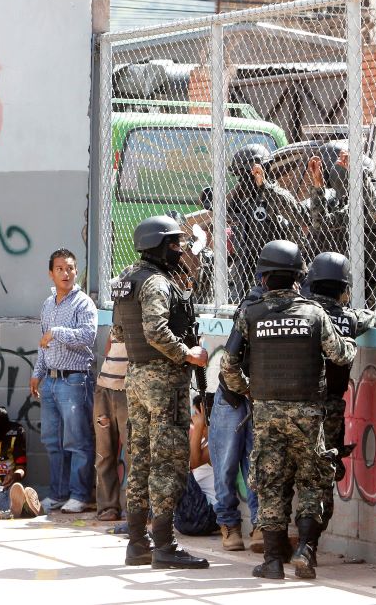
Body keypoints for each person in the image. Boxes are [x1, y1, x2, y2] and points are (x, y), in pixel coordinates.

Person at [221, 239, 356, 580]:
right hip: (309, 415)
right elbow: (340, 355)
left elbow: (227, 365)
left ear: (263, 279)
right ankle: (306, 553)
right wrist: (352, 340)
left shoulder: (250, 314)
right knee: (311, 482)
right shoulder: (314, 313)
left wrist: (250, 392)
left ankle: (271, 562)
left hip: (267, 415)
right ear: (299, 278)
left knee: (270, 483)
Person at [113, 216, 209, 569]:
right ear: (159, 245)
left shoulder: (127, 278)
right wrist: (189, 354)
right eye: (174, 244)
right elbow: (155, 331)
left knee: (139, 460)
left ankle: (138, 543)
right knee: (168, 462)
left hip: (136, 376)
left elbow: (121, 333)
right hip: (163, 380)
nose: (180, 250)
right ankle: (165, 546)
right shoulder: (155, 282)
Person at [303, 252, 372, 562]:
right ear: (344, 289)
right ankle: (310, 545)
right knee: (322, 473)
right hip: (330, 409)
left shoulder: (301, 311)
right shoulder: (348, 318)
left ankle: (275, 545)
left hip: (291, 402)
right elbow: (367, 318)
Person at [308, 142, 376, 313]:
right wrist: (318, 188)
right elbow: (321, 224)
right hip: (360, 281)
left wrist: (359, 178)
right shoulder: (352, 207)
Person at [29, 248, 97, 514]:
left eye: (70, 268)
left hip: (74, 381)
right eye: (60, 269)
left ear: (76, 271)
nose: (65, 273)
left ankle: (80, 495)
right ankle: (58, 494)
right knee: (52, 441)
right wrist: (38, 373)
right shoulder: (47, 305)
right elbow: (43, 346)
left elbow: (88, 336)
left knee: (77, 441)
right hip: (52, 382)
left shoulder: (83, 303)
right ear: (51, 273)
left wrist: (56, 332)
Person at [210, 280, 262, 553]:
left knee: (257, 466)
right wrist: (248, 391)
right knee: (227, 464)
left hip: (258, 398)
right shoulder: (250, 311)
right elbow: (228, 366)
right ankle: (229, 524)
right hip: (232, 397)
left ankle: (259, 525)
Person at [226, 144, 297, 302]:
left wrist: (264, 186)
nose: (242, 180)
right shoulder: (244, 200)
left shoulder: (276, 197)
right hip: (247, 270)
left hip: (275, 273)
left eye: (245, 174)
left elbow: (294, 214)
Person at [94, 329, 129, 521]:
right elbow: (108, 349)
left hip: (129, 392)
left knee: (133, 453)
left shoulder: (148, 316)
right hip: (105, 388)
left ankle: (133, 509)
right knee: (104, 452)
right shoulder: (118, 320)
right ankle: (108, 507)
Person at [174, 396, 218, 537]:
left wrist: (199, 427)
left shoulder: (217, 442)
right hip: (193, 515)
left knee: (174, 467)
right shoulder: (205, 441)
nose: (192, 418)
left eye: (195, 414)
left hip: (205, 515)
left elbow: (192, 462)